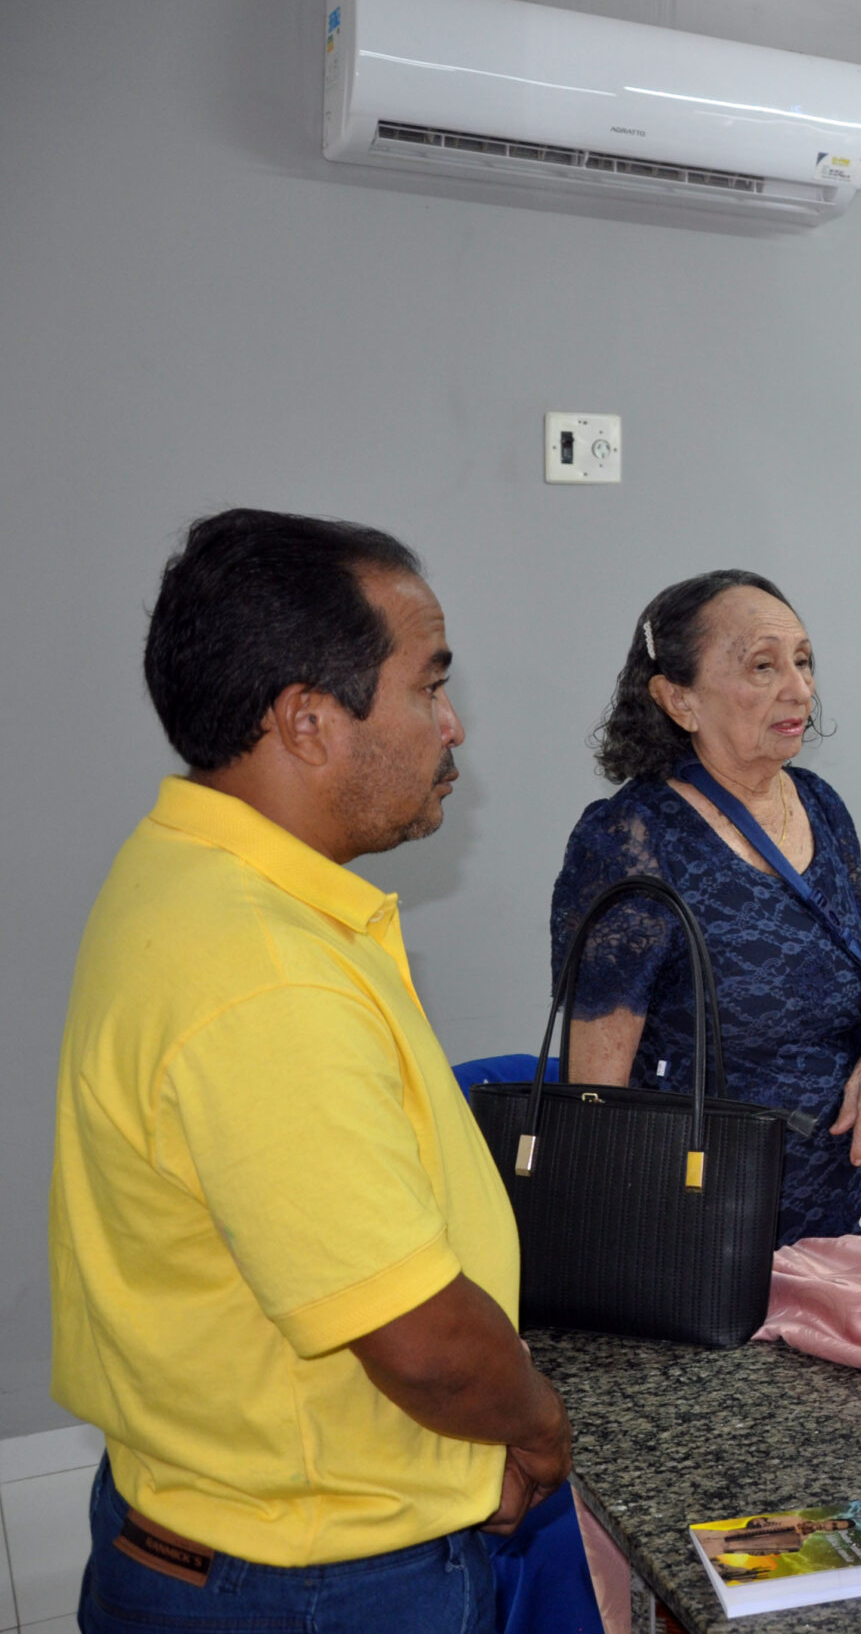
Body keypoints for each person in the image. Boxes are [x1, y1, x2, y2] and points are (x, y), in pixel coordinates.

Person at [53, 510, 567, 1634]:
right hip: (315, 1579)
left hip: (225, 1527)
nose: (453, 724)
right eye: (428, 686)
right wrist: (536, 1422)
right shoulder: (264, 968)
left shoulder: (187, 868)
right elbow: (421, 1339)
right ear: (307, 721)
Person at [551, 571, 861, 1245]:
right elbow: (596, 1095)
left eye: (803, 662)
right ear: (678, 699)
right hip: (694, 1224)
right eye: (763, 666)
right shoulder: (630, 838)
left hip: (840, 1203)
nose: (799, 689)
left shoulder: (821, 807)